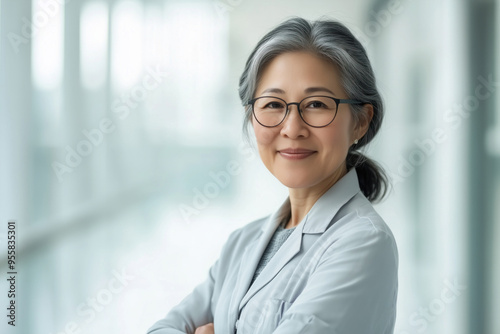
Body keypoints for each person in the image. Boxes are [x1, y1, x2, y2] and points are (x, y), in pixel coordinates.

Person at [147, 16, 398, 334]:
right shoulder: (244, 242)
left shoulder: (362, 243)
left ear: (360, 121)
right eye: (273, 104)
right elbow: (164, 327)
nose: (292, 128)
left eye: (317, 104)